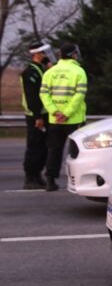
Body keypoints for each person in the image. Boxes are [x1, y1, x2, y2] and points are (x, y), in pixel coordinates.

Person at [40, 43, 88, 192]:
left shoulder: (50, 72)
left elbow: (44, 94)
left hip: (55, 120)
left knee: (54, 150)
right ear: (73, 54)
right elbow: (79, 95)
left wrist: (54, 111)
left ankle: (50, 180)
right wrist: (67, 113)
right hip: (74, 119)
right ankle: (77, 179)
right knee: (77, 151)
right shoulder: (79, 71)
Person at [20, 42, 51, 189]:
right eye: (43, 53)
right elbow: (32, 96)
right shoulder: (30, 72)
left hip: (43, 114)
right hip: (35, 115)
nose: (46, 56)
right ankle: (30, 177)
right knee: (34, 146)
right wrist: (38, 117)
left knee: (43, 147)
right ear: (37, 54)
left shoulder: (40, 69)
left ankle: (38, 174)